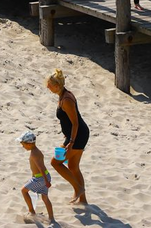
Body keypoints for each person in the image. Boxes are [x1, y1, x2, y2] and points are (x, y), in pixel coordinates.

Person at [47, 69, 88, 206]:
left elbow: (75, 123)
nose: (47, 87)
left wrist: (71, 142)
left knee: (55, 163)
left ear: (57, 86)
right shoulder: (63, 95)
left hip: (77, 136)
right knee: (73, 167)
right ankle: (83, 200)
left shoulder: (66, 100)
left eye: (49, 85)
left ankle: (78, 189)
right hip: (75, 134)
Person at [17, 131, 55, 225]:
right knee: (45, 197)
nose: (23, 146)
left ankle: (32, 212)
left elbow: (40, 167)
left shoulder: (34, 153)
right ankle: (51, 218)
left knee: (24, 191)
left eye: (23, 144)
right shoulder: (36, 151)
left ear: (29, 144)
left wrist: (46, 181)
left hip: (41, 178)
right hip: (44, 176)